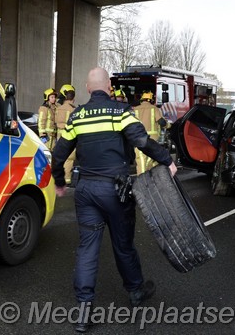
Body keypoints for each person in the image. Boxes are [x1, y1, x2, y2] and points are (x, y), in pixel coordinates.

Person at [52, 67, 177, 332]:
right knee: (123, 244)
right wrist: (167, 160)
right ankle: (135, 291)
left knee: (87, 248)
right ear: (109, 86)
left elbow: (59, 152)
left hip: (85, 190)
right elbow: (140, 139)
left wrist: (60, 181)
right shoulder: (120, 112)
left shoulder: (78, 115)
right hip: (115, 191)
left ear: (87, 88)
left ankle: (84, 312)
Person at [132, 91, 168, 175]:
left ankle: (143, 181)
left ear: (142, 100)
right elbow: (162, 122)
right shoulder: (154, 108)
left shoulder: (135, 109)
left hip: (138, 139)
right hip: (152, 140)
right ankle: (149, 180)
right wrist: (168, 125)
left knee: (141, 160)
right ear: (151, 100)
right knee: (151, 160)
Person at [55, 83, 77, 184]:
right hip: (70, 137)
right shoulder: (73, 109)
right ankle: (67, 180)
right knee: (69, 159)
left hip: (59, 137)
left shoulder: (58, 109)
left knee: (59, 158)